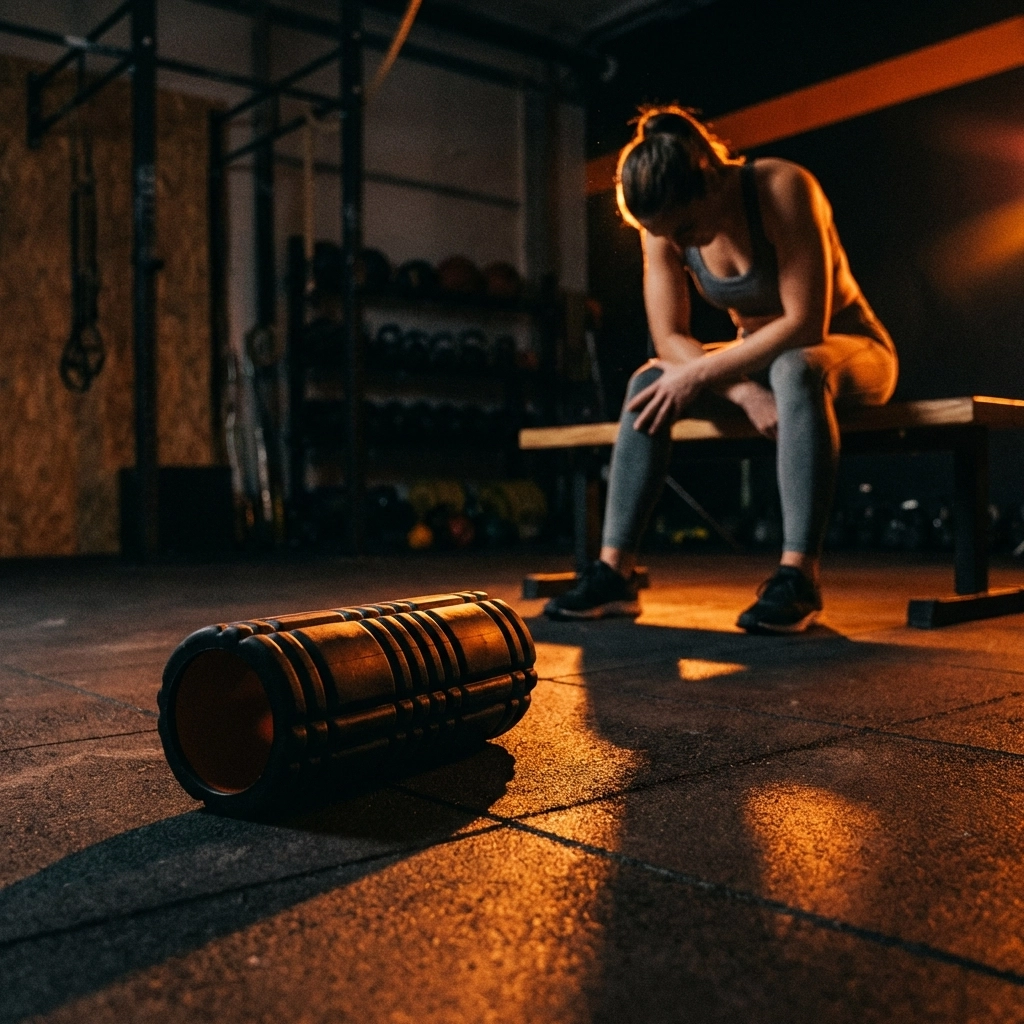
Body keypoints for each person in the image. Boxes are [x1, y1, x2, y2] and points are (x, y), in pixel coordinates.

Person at [545, 107, 898, 632]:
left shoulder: (781, 186)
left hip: (847, 350)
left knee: (796, 368)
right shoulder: (664, 225)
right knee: (649, 381)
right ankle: (614, 573)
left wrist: (701, 376)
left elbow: (804, 324)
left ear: (708, 180)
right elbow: (669, 339)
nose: (681, 245)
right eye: (668, 236)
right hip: (758, 365)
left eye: (685, 228)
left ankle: (798, 576)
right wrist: (741, 395)